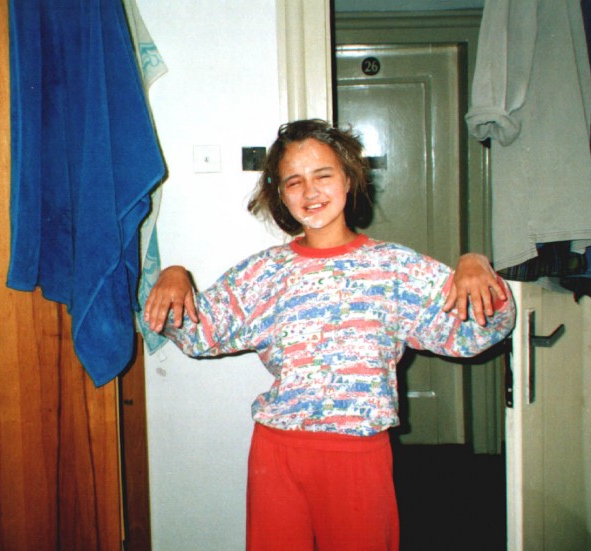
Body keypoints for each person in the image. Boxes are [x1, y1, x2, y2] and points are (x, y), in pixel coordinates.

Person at [144, 119, 516, 551]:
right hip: (278, 453)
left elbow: (474, 334)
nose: (310, 192)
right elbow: (200, 335)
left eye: (323, 175)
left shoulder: (395, 267)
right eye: (294, 182)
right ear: (280, 194)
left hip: (358, 455)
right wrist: (175, 274)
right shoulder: (265, 272)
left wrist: (475, 264)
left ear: (348, 178)